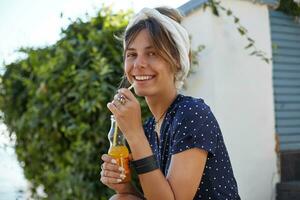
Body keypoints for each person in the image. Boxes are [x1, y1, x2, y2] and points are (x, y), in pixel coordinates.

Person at [100, 6, 241, 200]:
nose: (138, 64)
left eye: (152, 53)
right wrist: (125, 187)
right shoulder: (150, 127)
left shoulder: (192, 113)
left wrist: (134, 134)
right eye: (131, 54)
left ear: (176, 60)